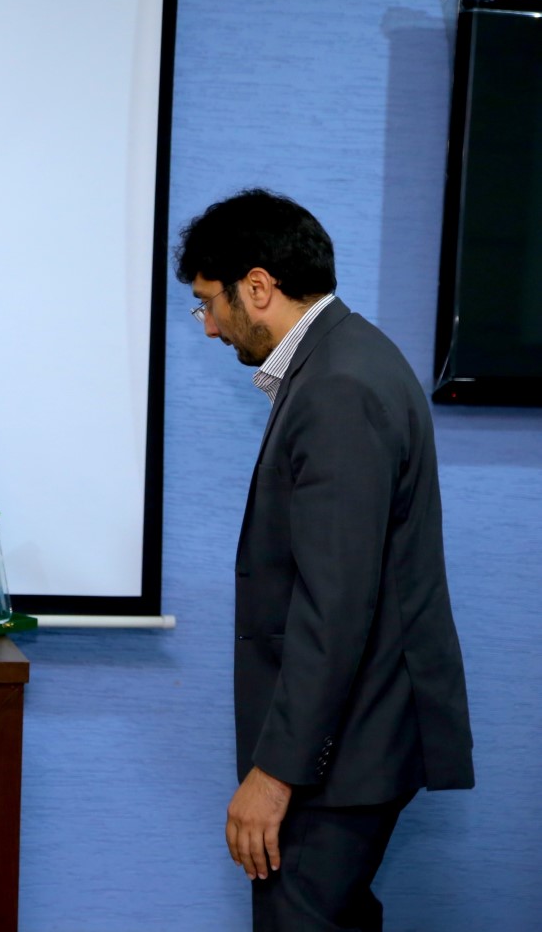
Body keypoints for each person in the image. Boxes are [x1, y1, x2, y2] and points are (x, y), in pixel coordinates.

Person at [176, 189, 474, 931]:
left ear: (257, 287)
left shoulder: (337, 386)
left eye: (208, 302)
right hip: (353, 741)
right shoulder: (345, 359)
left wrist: (275, 775)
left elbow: (334, 607)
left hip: (341, 755)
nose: (207, 326)